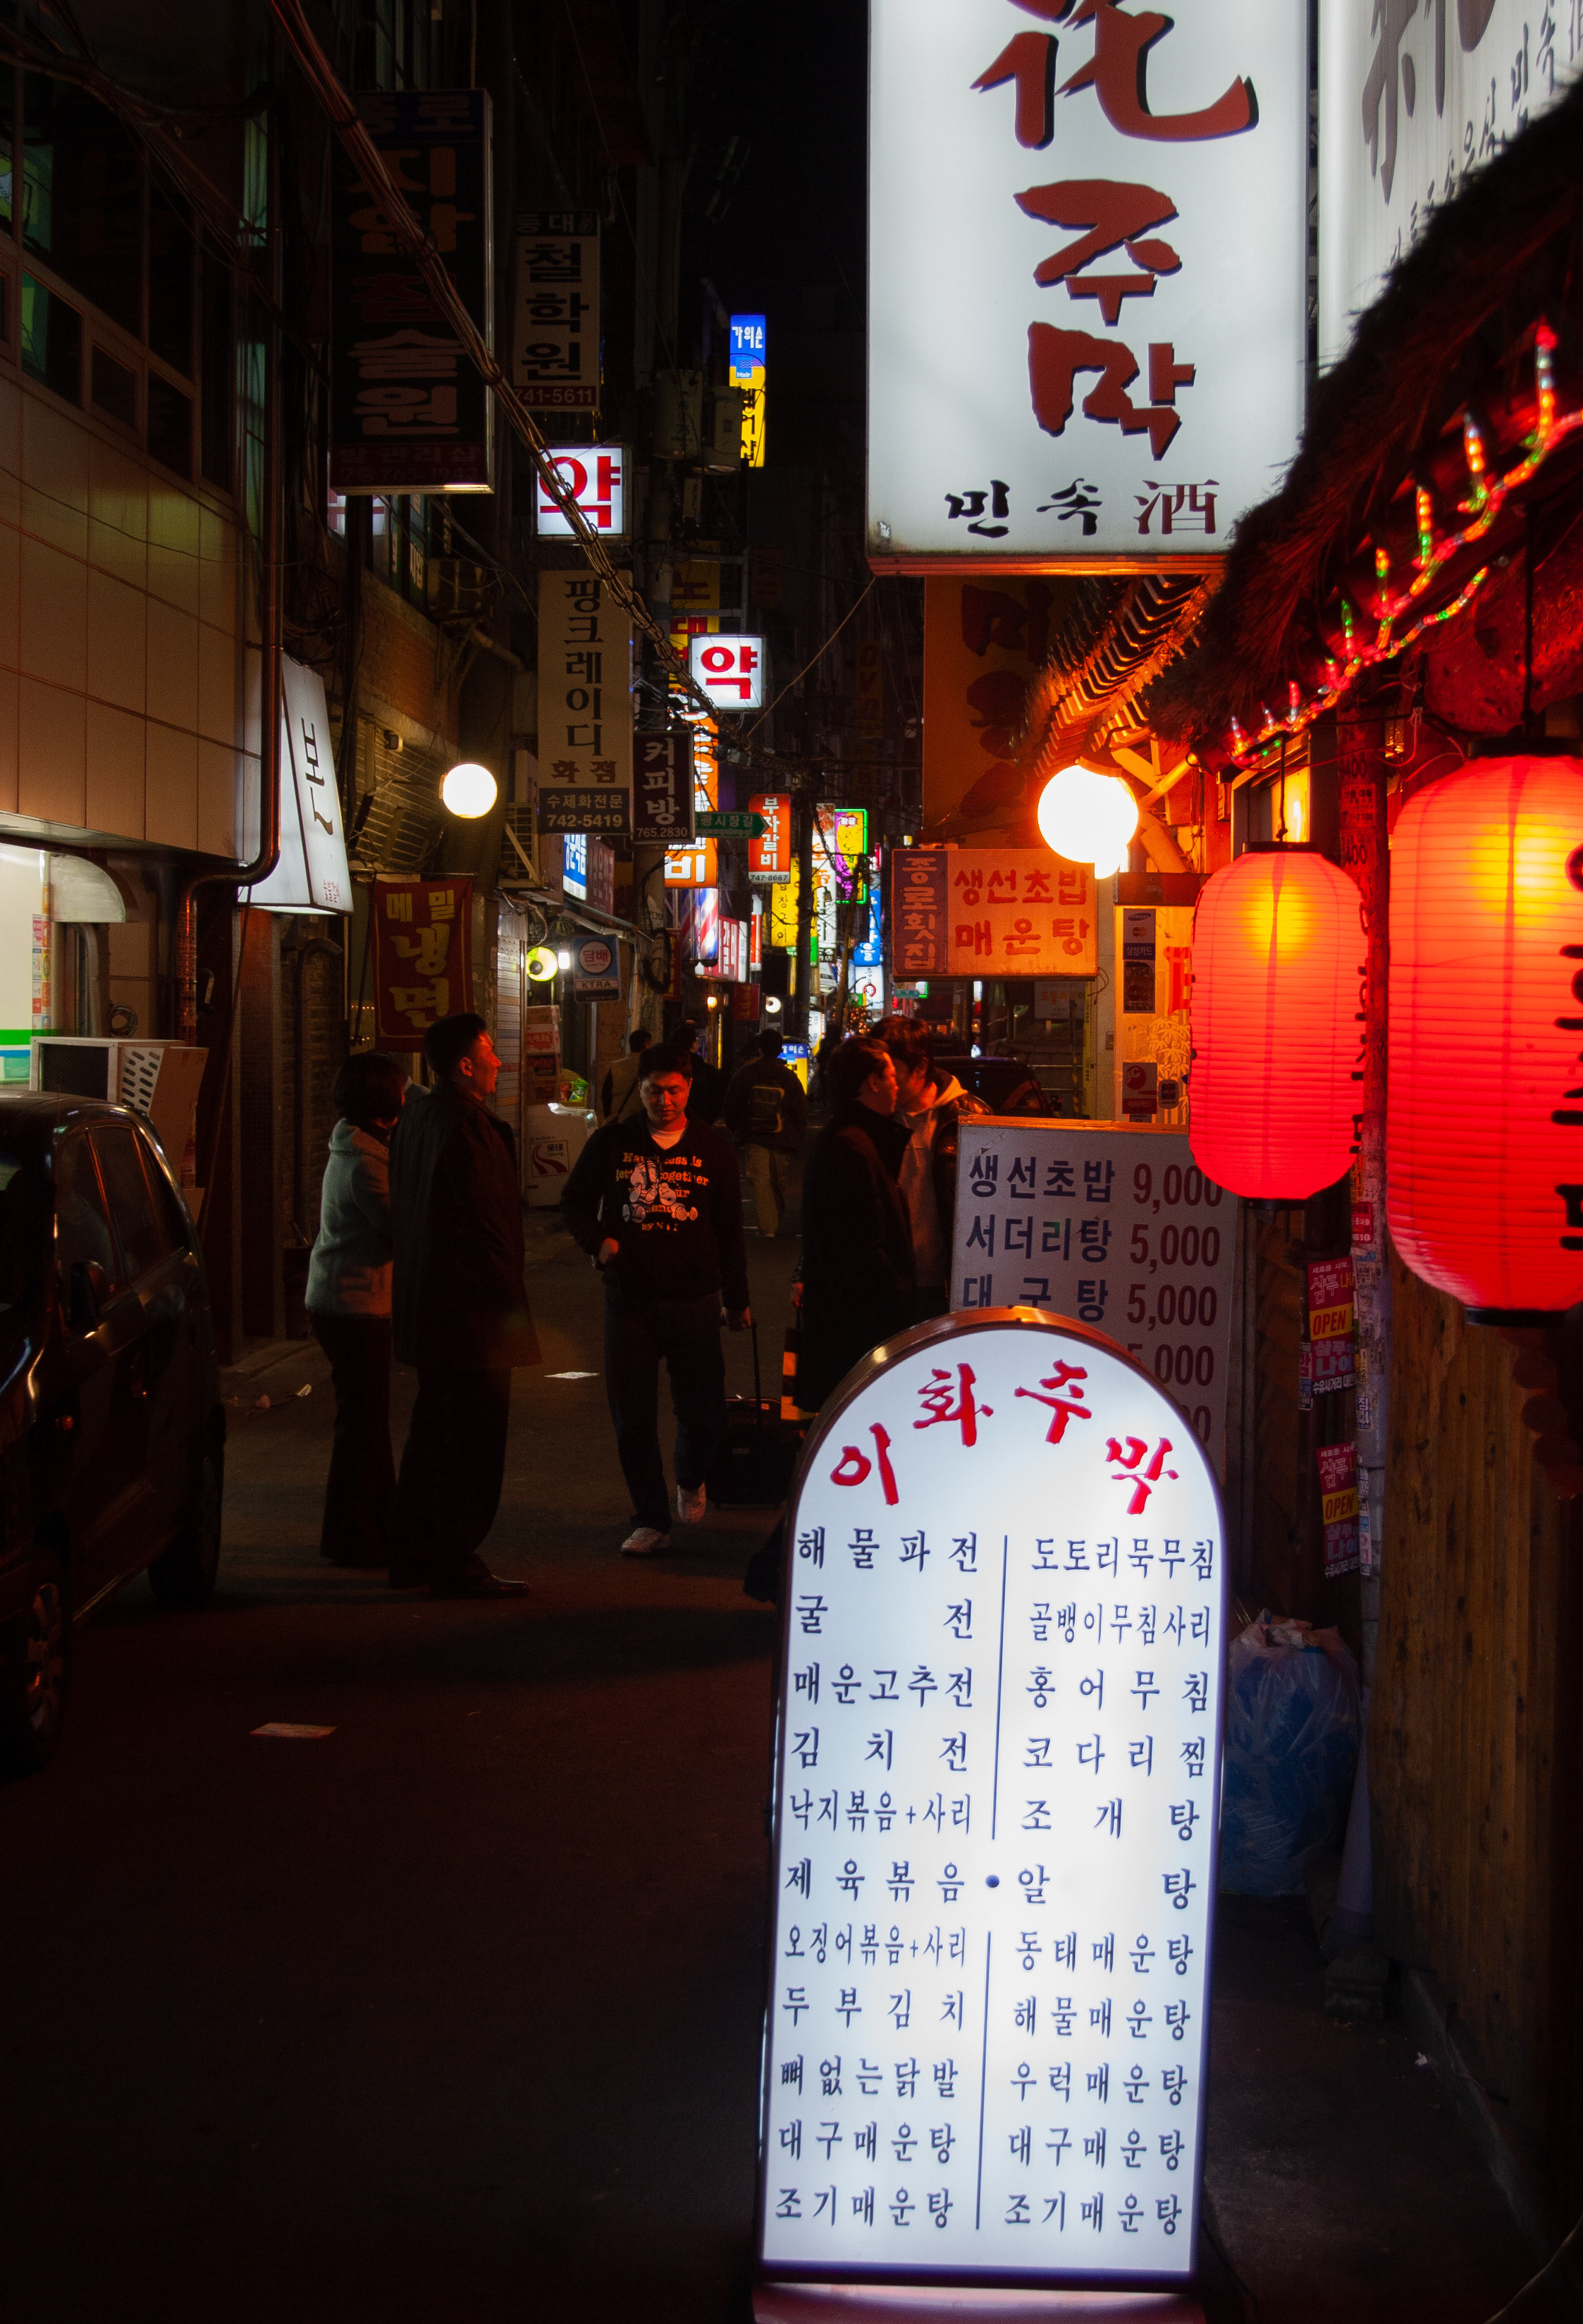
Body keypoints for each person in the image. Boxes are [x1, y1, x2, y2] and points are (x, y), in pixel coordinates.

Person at [562, 1042, 751, 1557]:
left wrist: (738, 1299)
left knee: (703, 1412)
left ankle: (690, 1477)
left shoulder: (714, 1150)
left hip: (694, 1301)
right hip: (629, 1302)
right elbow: (574, 1203)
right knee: (633, 1417)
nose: (663, 1100)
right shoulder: (612, 1143)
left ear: (688, 1088)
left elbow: (730, 1231)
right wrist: (597, 1242)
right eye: (653, 1090)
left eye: (673, 1090)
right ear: (640, 1089)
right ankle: (650, 1518)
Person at [388, 1011, 540, 1599]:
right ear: (466, 1065)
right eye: (490, 1053)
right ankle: (454, 1557)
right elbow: (489, 1230)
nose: (500, 1063)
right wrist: (510, 1320)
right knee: (471, 1441)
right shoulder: (468, 1127)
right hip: (472, 1315)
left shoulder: (417, 1118)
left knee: (433, 1433)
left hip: (430, 1306)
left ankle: (416, 1555)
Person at [305, 1051, 407, 1568]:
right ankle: (352, 1537)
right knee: (362, 1425)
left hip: (345, 1300)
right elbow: (400, 1230)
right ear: (388, 1102)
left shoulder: (359, 1142)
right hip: (353, 1302)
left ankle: (375, 1529)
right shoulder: (367, 1162)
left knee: (366, 1422)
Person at [797, 1037, 916, 1409]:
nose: (898, 1085)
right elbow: (860, 1246)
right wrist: (897, 1298)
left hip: (850, 1321)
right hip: (855, 1327)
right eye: (892, 1076)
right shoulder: (851, 1145)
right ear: (872, 1082)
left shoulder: (857, 1137)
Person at [880, 1023, 993, 1319]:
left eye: (894, 1072)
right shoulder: (876, 1116)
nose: (885, 1082)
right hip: (887, 1279)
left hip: (948, 1283)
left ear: (921, 1067)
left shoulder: (971, 1117)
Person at [723, 1026, 808, 1240]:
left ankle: (768, 1227)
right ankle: (772, 1221)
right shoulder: (788, 1076)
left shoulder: (747, 1072)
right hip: (783, 1137)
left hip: (754, 1135)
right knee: (777, 1181)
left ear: (759, 1048)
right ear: (780, 1049)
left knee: (760, 1179)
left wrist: (736, 1129)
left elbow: (731, 1104)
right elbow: (800, 1109)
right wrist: (797, 1136)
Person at [674, 1018, 725, 1125]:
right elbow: (717, 1103)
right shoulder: (709, 1072)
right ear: (694, 1044)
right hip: (700, 1126)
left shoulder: (665, 1069)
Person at [600, 1026, 652, 1124]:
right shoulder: (651, 1067)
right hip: (640, 1123)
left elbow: (605, 1094)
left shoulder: (616, 1066)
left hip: (618, 1121)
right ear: (646, 1045)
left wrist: (611, 1115)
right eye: (650, 1044)